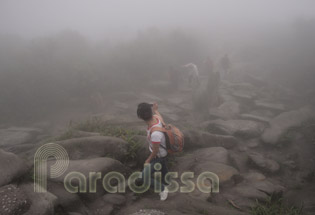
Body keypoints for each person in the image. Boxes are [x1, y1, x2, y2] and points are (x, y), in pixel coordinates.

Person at [136, 102, 169, 201]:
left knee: (143, 179)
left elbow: (155, 151)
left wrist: (147, 160)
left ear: (141, 117)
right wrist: (155, 110)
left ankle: (163, 189)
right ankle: (167, 181)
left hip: (157, 157)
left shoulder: (155, 134)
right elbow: (161, 118)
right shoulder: (156, 118)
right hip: (163, 154)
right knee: (163, 166)